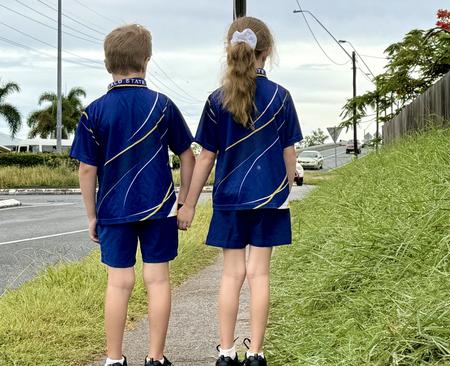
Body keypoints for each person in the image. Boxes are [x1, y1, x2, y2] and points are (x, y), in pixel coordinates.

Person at [177, 16, 303, 366]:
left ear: (229, 51)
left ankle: (226, 352)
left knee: (231, 275)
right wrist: (286, 185)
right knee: (259, 274)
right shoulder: (281, 97)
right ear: (268, 52)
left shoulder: (217, 100)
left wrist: (187, 204)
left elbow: (204, 159)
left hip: (229, 201)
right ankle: (257, 353)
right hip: (270, 199)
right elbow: (289, 154)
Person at [70, 24, 195, 366]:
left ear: (107, 63)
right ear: (147, 60)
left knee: (119, 282)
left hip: (112, 210)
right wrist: (184, 201)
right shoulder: (162, 106)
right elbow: (188, 156)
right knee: (157, 280)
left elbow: (86, 169)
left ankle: (113, 359)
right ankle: (155, 358)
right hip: (159, 208)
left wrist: (92, 214)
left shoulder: (93, 112)